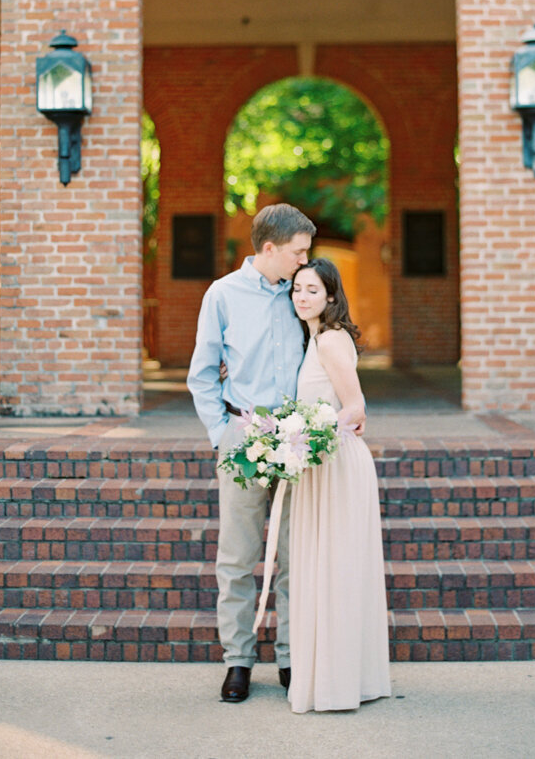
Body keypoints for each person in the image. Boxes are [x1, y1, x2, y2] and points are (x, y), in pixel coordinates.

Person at [187, 203, 316, 704]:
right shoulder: (222, 295)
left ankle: (289, 659)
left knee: (293, 556)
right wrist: (222, 435)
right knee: (238, 557)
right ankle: (238, 660)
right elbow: (203, 372)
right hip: (242, 434)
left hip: (297, 438)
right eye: (297, 251)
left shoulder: (304, 293)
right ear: (269, 248)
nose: (304, 260)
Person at [287, 257, 391, 713]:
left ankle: (338, 684)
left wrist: (302, 443)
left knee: (336, 570)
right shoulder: (316, 339)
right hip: (320, 462)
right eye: (296, 289)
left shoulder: (330, 340)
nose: (302, 297)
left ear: (331, 296)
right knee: (326, 570)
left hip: (335, 464)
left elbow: (356, 407)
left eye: (312, 290)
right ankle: (340, 679)